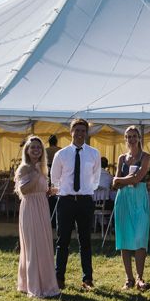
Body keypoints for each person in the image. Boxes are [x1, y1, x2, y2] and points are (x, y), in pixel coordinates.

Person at [50, 118, 100, 290]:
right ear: (71, 132)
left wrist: (85, 191)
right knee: (62, 241)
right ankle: (59, 278)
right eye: (76, 130)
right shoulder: (61, 154)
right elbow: (55, 178)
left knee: (85, 241)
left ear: (87, 133)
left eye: (83, 131)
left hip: (85, 201)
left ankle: (87, 279)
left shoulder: (94, 153)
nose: (79, 134)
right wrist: (66, 191)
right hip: (66, 201)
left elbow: (96, 178)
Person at [15, 136, 60, 298]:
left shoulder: (42, 168)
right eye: (33, 147)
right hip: (30, 209)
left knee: (43, 245)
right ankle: (33, 285)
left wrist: (49, 191)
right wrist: (35, 173)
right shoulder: (25, 168)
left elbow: (39, 189)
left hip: (42, 207)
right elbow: (25, 191)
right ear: (27, 150)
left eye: (39, 148)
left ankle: (46, 283)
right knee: (33, 246)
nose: (36, 150)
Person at [112, 125, 150, 291]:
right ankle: (129, 279)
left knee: (140, 238)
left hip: (140, 198)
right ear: (125, 139)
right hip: (123, 200)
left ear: (139, 138)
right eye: (128, 136)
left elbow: (138, 178)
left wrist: (122, 180)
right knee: (125, 239)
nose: (131, 139)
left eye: (134, 136)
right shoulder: (121, 158)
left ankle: (140, 278)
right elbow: (114, 183)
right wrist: (125, 179)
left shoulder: (146, 157)